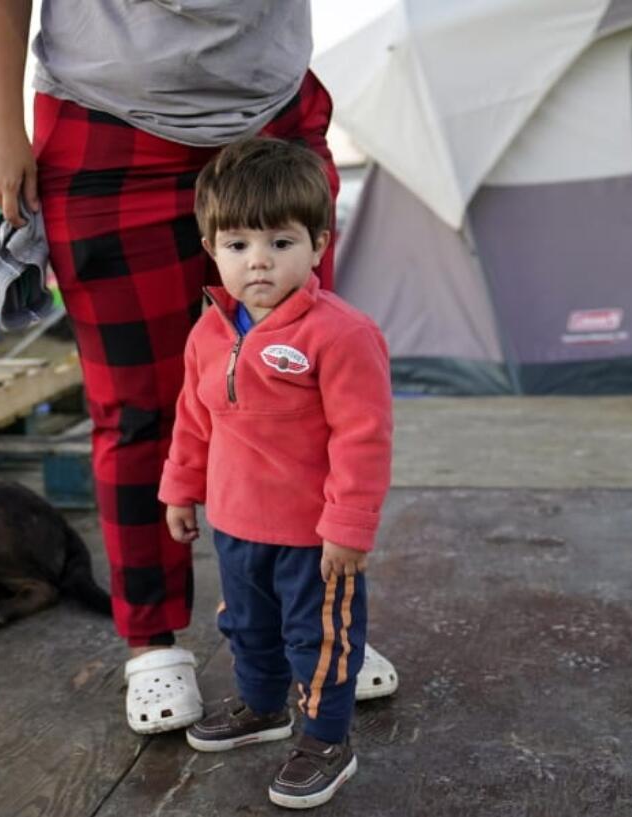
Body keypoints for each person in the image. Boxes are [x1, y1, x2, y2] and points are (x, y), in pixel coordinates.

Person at [0, 0, 397, 738]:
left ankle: (320, 629)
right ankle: (152, 642)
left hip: (271, 116)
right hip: (108, 121)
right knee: (136, 406)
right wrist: (0, 119)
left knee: (301, 395)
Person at [160, 136, 392, 809]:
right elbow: (194, 416)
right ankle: (263, 707)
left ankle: (325, 737)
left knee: (317, 636)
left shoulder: (341, 334)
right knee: (246, 625)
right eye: (237, 245)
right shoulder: (207, 332)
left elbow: (364, 436)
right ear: (211, 248)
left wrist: (348, 525)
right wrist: (180, 486)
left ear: (319, 243)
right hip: (235, 525)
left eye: (280, 242)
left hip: (313, 538)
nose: (258, 260)